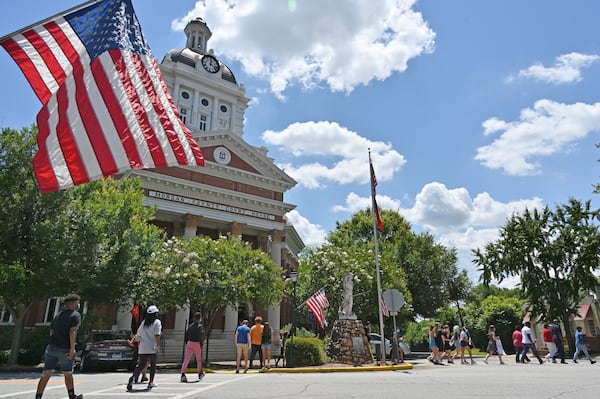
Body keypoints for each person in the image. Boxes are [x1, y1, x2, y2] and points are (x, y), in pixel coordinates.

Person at [35, 294, 83, 399]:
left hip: (52, 347)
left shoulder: (58, 315)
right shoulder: (75, 315)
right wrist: (72, 349)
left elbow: (51, 331)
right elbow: (73, 331)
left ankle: (38, 396)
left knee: (47, 372)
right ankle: (72, 396)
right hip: (65, 348)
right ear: (73, 303)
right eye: (77, 302)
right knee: (68, 373)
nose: (78, 305)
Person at [127, 305, 162, 391]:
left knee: (141, 365)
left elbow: (138, 335)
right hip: (152, 346)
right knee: (153, 365)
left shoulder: (143, 323)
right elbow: (157, 335)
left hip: (143, 346)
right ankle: (151, 382)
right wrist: (157, 345)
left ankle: (133, 376)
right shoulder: (157, 322)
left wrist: (132, 342)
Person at [180, 312, 204, 382]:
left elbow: (186, 334)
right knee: (198, 359)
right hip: (196, 343)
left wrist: (187, 342)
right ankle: (200, 373)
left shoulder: (190, 326)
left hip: (190, 343)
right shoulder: (200, 326)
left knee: (186, 359)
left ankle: (183, 374)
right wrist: (201, 344)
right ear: (200, 318)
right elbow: (200, 336)